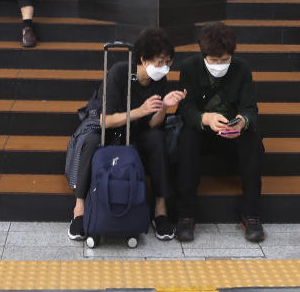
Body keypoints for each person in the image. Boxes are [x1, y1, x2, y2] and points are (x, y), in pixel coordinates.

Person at [66, 28, 186, 242]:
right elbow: (106, 120)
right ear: (143, 59)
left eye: (168, 62)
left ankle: (160, 210)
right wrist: (140, 110)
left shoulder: (159, 80)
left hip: (137, 130)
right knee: (92, 141)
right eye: (159, 62)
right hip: (110, 129)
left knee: (157, 139)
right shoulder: (120, 72)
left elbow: (153, 124)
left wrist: (165, 107)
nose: (164, 67)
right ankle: (79, 209)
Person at [175, 22, 265, 244]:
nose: (219, 65)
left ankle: (250, 214)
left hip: (231, 133)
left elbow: (250, 108)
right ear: (204, 55)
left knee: (253, 142)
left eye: (224, 60)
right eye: (214, 61)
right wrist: (204, 119)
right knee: (186, 139)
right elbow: (185, 108)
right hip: (202, 131)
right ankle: (186, 214)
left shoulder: (242, 69)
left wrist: (242, 122)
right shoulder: (189, 67)